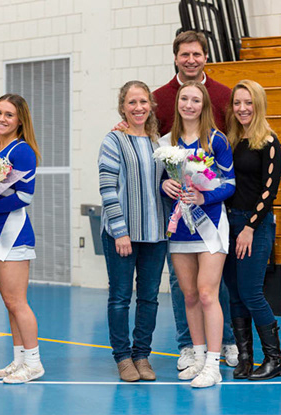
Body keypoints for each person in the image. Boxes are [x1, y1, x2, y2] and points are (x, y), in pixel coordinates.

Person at [153, 30, 238, 370]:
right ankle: (192, 349)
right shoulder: (165, 133)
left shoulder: (217, 131)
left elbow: (228, 179)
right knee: (187, 292)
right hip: (179, 224)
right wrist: (165, 189)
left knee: (210, 291)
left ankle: (219, 351)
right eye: (184, 54)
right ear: (175, 57)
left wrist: (206, 195)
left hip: (211, 220)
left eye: (196, 54)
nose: (190, 59)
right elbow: (158, 176)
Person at [99, 81, 171, 382]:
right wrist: (120, 232)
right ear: (123, 107)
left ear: (151, 106)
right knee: (119, 297)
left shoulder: (158, 144)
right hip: (123, 234)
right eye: (132, 102)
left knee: (150, 298)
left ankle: (142, 355)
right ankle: (123, 357)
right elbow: (108, 188)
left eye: (143, 101)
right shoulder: (113, 140)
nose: (138, 107)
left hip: (156, 235)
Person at [0, 94, 45, 384]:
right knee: (8, 302)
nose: (1, 119)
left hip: (13, 235)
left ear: (20, 120)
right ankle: (18, 360)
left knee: (18, 302)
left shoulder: (22, 150)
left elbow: (24, 197)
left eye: (8, 114)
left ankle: (34, 362)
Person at [223, 80, 281, 380]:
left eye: (248, 102)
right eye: (237, 103)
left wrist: (249, 228)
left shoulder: (269, 140)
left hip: (254, 226)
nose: (242, 108)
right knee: (234, 293)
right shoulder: (230, 140)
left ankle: (275, 359)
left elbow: (269, 191)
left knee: (250, 291)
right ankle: (245, 358)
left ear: (258, 104)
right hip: (228, 223)